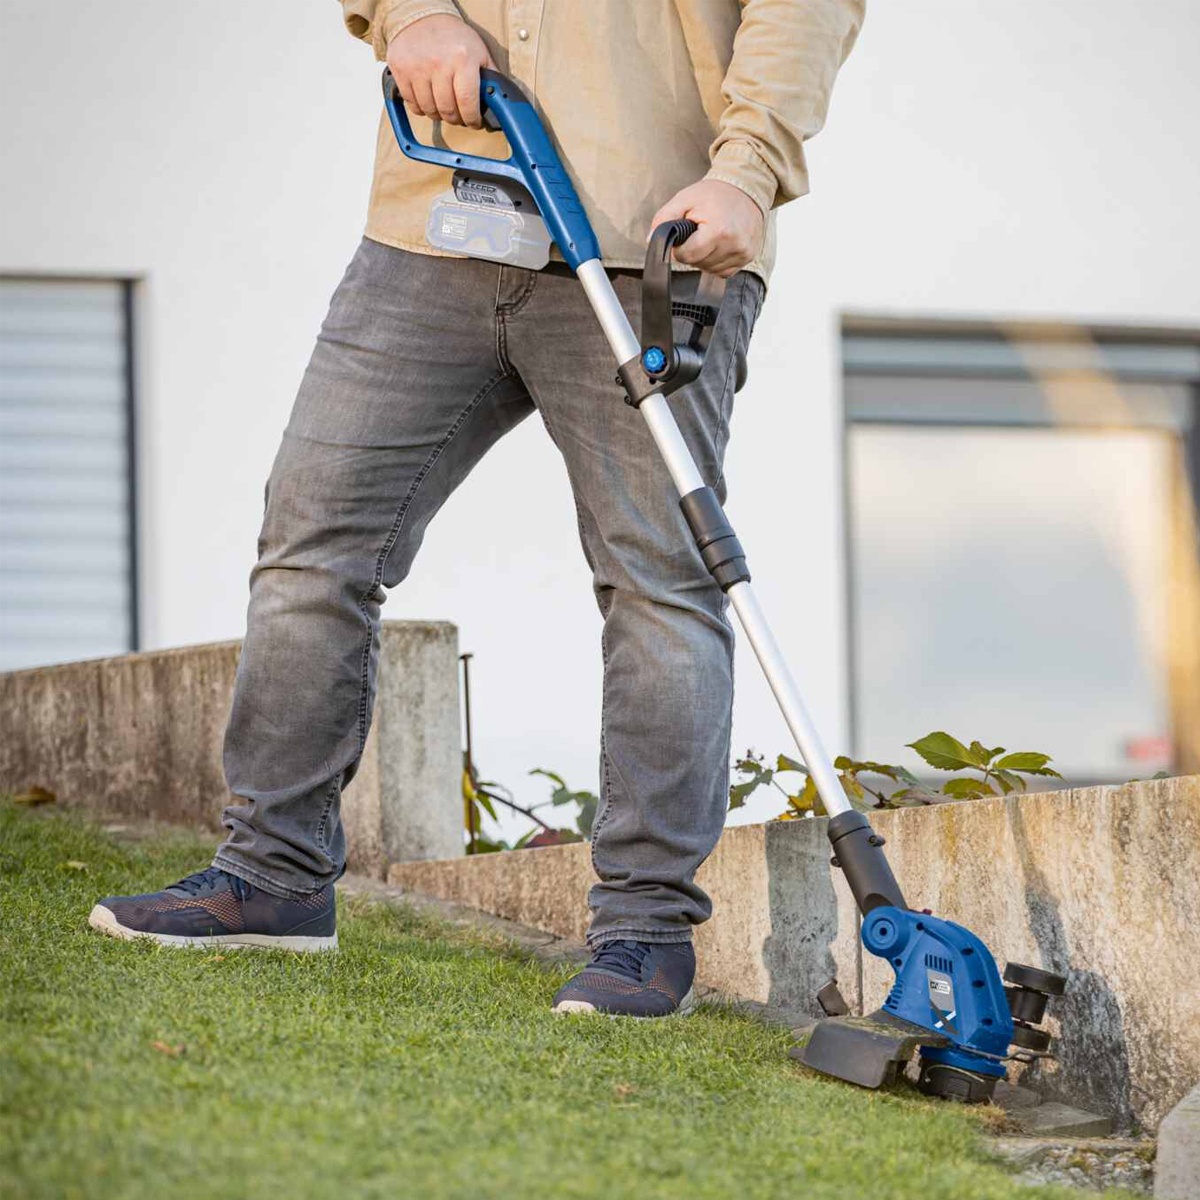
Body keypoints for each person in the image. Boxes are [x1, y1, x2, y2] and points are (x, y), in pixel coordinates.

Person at [89, 0, 865, 1017]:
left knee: (661, 584)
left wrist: (747, 170)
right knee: (313, 540)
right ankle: (271, 877)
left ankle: (644, 935)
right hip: (436, 224)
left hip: (652, 240)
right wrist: (409, 14)